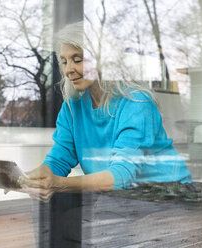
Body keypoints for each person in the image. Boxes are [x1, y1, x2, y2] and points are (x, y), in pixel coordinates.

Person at [13, 21, 192, 247]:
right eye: (64, 61)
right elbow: (58, 159)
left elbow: (122, 175)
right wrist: (33, 177)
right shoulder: (72, 107)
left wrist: (58, 183)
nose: (68, 69)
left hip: (164, 190)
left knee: (102, 214)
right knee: (49, 204)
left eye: (77, 59)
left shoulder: (136, 103)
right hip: (119, 194)